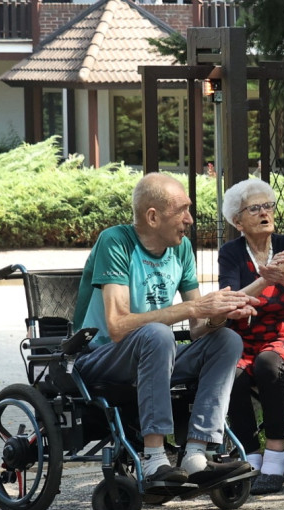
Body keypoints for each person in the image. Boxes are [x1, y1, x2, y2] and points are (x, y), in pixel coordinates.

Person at [72, 173, 258, 488]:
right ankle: (155, 458)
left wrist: (220, 314)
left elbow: (199, 330)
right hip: (100, 359)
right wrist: (193, 309)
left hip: (156, 356)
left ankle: (196, 455)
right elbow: (117, 327)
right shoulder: (116, 242)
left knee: (226, 341)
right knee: (157, 334)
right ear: (153, 216)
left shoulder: (182, 249)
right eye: (182, 210)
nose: (190, 219)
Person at [218, 179, 284, 495]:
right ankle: (250, 454)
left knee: (267, 364)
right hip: (246, 332)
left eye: (268, 206)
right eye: (255, 208)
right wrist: (264, 282)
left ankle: (276, 455)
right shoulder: (231, 253)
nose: (265, 213)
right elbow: (232, 298)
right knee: (231, 372)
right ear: (238, 221)